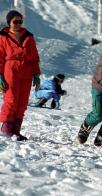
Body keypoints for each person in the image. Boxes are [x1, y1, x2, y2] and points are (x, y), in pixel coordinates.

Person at [0, 10, 41, 141]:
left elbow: (34, 57)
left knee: (22, 102)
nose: (18, 24)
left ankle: (16, 131)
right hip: (10, 69)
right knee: (11, 99)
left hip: (26, 71)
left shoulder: (29, 36)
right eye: (15, 21)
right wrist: (0, 76)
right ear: (9, 22)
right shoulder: (3, 37)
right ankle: (6, 129)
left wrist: (36, 74)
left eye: (20, 21)